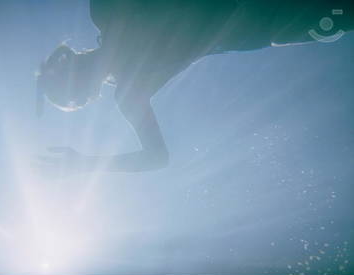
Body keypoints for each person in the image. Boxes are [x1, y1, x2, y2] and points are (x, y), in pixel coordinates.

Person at [35, 0, 353, 173]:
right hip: (270, 23)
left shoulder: (127, 80)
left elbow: (156, 158)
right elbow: (156, 158)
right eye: (67, 72)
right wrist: (86, 164)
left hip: (268, 24)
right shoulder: (128, 81)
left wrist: (86, 164)